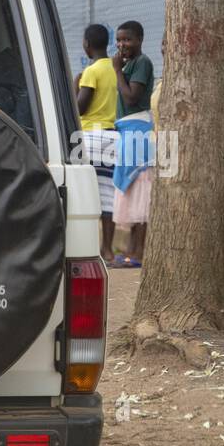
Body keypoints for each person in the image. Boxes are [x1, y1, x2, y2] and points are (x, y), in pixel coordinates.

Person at [110, 20, 155, 267]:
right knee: (131, 189)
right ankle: (130, 251)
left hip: (139, 132)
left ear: (139, 40)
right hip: (129, 131)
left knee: (140, 191)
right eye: (118, 40)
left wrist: (117, 70)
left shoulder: (142, 63)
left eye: (127, 40)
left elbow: (131, 97)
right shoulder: (130, 64)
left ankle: (138, 253)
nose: (121, 45)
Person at [74, 24, 119, 260]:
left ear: (87, 44)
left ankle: (87, 247)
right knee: (107, 194)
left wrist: (75, 87)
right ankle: (108, 249)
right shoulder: (114, 69)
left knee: (84, 192)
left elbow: (80, 107)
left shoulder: (90, 72)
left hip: (90, 135)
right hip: (112, 135)